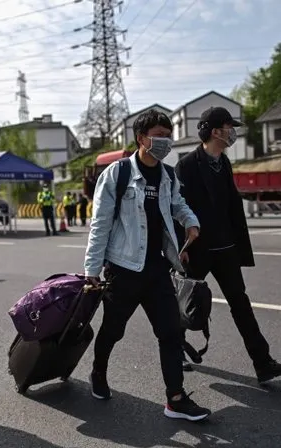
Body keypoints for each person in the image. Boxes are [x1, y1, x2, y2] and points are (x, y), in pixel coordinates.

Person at [84, 109, 211, 422]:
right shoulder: (118, 173)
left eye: (168, 136)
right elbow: (100, 223)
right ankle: (98, 371)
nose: (165, 142)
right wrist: (92, 270)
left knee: (170, 332)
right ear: (141, 138)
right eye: (159, 136)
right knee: (113, 330)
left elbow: (177, 203)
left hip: (157, 268)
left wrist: (190, 221)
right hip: (123, 269)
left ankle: (176, 398)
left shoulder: (167, 175)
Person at [175, 106, 281, 384]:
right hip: (198, 250)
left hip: (225, 248)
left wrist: (238, 243)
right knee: (184, 303)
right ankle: (176, 350)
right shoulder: (187, 166)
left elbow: (230, 206)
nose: (233, 132)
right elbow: (177, 208)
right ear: (215, 131)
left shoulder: (224, 163)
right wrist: (179, 249)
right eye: (230, 127)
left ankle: (263, 363)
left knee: (240, 304)